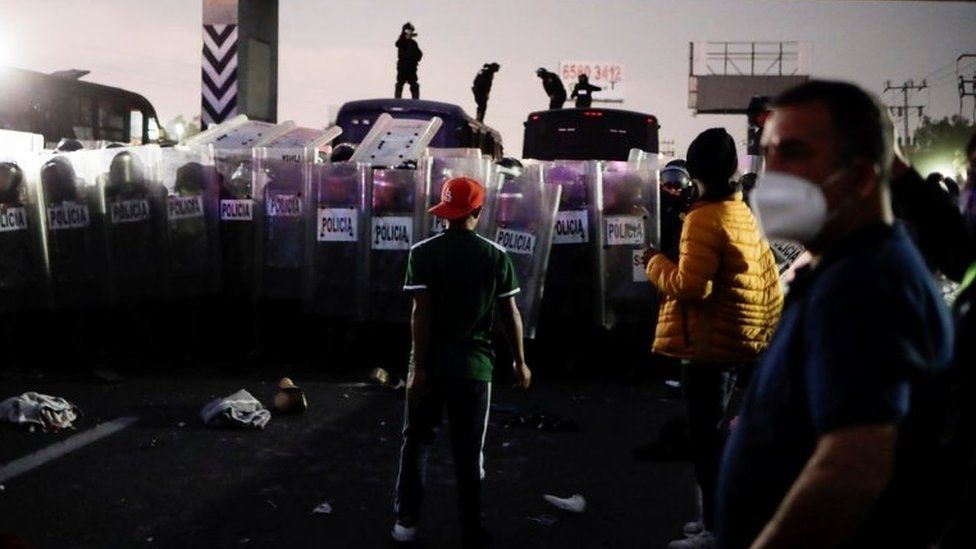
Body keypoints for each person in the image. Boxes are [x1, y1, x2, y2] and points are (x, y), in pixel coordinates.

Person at [718, 80, 954, 548]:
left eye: (795, 153)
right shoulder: (845, 264)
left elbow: (852, 466)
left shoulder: (865, 284)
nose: (774, 174)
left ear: (863, 178)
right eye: (769, 154)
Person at [643, 128, 784, 549]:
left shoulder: (703, 217)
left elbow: (691, 286)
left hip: (708, 345)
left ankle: (718, 531)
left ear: (695, 170)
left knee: (707, 444)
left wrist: (654, 262)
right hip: (737, 340)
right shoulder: (740, 212)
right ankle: (712, 520)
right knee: (713, 438)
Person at [392, 176, 531, 548]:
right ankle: (471, 527)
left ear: (444, 210)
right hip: (475, 368)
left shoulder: (421, 252)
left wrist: (417, 368)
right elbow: (511, 314)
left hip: (429, 365)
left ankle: (406, 522)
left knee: (417, 442)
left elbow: (420, 315)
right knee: (469, 451)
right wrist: (520, 362)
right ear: (479, 211)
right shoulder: (495, 255)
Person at [394, 22, 422, 99]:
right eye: (408, 30)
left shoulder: (413, 43)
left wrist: (415, 60)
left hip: (411, 68)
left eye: (411, 31)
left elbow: (419, 54)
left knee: (414, 85)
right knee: (399, 84)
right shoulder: (401, 41)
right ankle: (397, 100)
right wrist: (405, 37)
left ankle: (416, 101)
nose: (410, 32)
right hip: (402, 67)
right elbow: (398, 44)